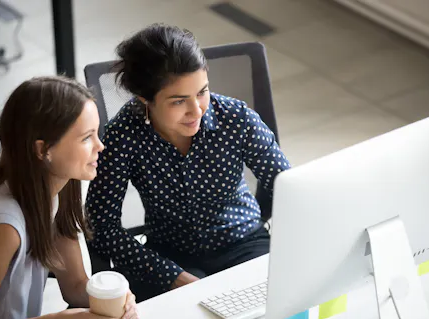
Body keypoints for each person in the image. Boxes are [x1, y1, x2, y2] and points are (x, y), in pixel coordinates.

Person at [86, 24, 291, 302]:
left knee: (274, 305)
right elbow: (101, 224)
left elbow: (289, 187)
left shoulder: (236, 118)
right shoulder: (123, 135)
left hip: (243, 241)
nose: (197, 110)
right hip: (170, 254)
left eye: (202, 92)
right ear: (144, 98)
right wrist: (168, 274)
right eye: (179, 101)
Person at [0, 76, 139, 319]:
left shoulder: (58, 191)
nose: (100, 146)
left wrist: (118, 300)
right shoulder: (3, 230)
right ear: (43, 150)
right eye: (86, 138)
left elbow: (75, 286)